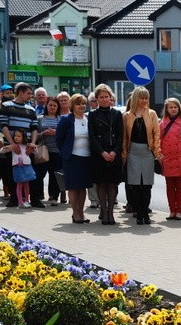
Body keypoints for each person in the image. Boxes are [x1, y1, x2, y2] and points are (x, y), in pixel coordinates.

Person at [0, 82, 41, 208]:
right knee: (12, 173)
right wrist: (12, 144)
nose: (30, 96)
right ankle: (14, 199)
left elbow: (34, 128)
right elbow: (3, 126)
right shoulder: (6, 106)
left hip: (26, 147)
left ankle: (34, 199)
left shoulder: (31, 109)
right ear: (20, 92)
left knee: (31, 173)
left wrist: (32, 143)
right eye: (28, 93)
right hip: (12, 147)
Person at [122, 86, 160, 225]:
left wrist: (157, 152)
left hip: (147, 152)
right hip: (133, 152)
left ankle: (145, 212)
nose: (144, 101)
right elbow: (125, 137)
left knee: (147, 184)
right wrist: (124, 154)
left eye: (146, 98)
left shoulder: (152, 114)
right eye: (141, 98)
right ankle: (138, 213)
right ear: (135, 99)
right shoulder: (127, 116)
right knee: (135, 185)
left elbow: (156, 133)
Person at [87, 84, 123, 225]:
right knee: (101, 183)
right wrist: (102, 152)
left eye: (106, 97)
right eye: (101, 97)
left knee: (112, 183)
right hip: (99, 153)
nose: (104, 99)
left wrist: (114, 151)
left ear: (110, 98)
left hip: (114, 151)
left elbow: (121, 135)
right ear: (96, 99)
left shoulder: (117, 114)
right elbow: (92, 136)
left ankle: (110, 213)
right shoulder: (93, 115)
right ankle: (103, 210)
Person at [56, 93, 93, 223]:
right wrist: (65, 152)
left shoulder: (88, 119)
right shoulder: (67, 120)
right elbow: (59, 139)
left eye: (83, 103)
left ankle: (81, 213)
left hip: (86, 158)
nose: (81, 106)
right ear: (72, 106)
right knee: (73, 187)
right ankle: (75, 213)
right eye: (78, 104)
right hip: (72, 158)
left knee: (83, 187)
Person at [159, 97, 181, 221]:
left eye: (175, 107)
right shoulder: (162, 123)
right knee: (169, 186)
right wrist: (160, 155)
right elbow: (158, 140)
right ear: (166, 109)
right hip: (168, 158)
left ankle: (179, 211)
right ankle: (172, 210)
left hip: (180, 157)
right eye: (170, 107)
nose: (173, 109)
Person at [39, 97, 65, 205]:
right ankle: (38, 195)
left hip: (57, 151)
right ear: (46, 105)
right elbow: (35, 134)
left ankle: (54, 196)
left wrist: (56, 132)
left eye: (55, 105)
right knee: (41, 174)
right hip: (43, 151)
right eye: (50, 105)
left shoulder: (62, 119)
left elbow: (65, 135)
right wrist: (43, 133)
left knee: (55, 175)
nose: (52, 107)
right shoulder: (40, 118)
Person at [10, 129, 35, 208]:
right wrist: (8, 147)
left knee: (26, 184)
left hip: (27, 166)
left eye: (19, 136)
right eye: (15, 136)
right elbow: (1, 151)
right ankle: (20, 202)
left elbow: (35, 151)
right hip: (18, 167)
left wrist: (33, 146)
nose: (16, 138)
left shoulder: (27, 146)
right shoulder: (13, 146)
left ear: (23, 137)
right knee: (19, 184)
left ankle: (27, 200)